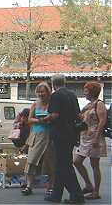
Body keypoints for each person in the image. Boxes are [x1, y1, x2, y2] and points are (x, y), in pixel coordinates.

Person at [42, 74, 84, 204]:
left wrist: (44, 119)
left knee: (63, 166)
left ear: (53, 84)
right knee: (62, 164)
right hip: (71, 133)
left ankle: (77, 195)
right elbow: (79, 115)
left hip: (60, 133)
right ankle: (56, 194)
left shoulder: (56, 96)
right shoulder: (72, 95)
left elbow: (54, 115)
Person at [73, 82, 108, 200]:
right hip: (85, 137)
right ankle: (88, 184)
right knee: (77, 161)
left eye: (86, 90)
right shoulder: (89, 105)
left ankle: (96, 191)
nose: (84, 92)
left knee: (94, 164)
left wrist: (96, 138)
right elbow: (82, 118)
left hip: (94, 137)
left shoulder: (99, 104)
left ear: (92, 91)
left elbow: (102, 121)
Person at [21, 82, 55, 197]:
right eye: (39, 91)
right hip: (36, 134)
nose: (40, 94)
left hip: (49, 135)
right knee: (31, 160)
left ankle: (51, 186)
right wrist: (39, 120)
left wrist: (49, 119)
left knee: (49, 162)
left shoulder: (52, 104)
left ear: (48, 92)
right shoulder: (35, 104)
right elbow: (29, 119)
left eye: (43, 91)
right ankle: (29, 185)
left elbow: (56, 117)